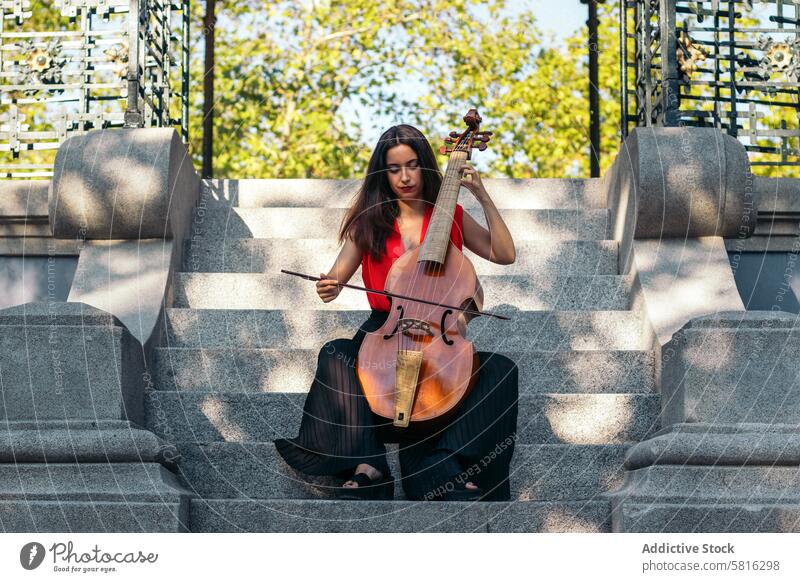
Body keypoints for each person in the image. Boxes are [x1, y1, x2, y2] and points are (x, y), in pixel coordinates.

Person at [273, 124, 519, 501]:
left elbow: (504, 254)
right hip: (386, 330)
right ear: (382, 173)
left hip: (439, 338)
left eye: (412, 165)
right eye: (394, 168)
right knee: (334, 355)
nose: (405, 177)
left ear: (425, 167)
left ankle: (443, 464)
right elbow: (336, 279)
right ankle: (369, 464)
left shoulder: (449, 214)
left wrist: (482, 196)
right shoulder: (369, 221)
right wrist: (330, 286)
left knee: (501, 371)